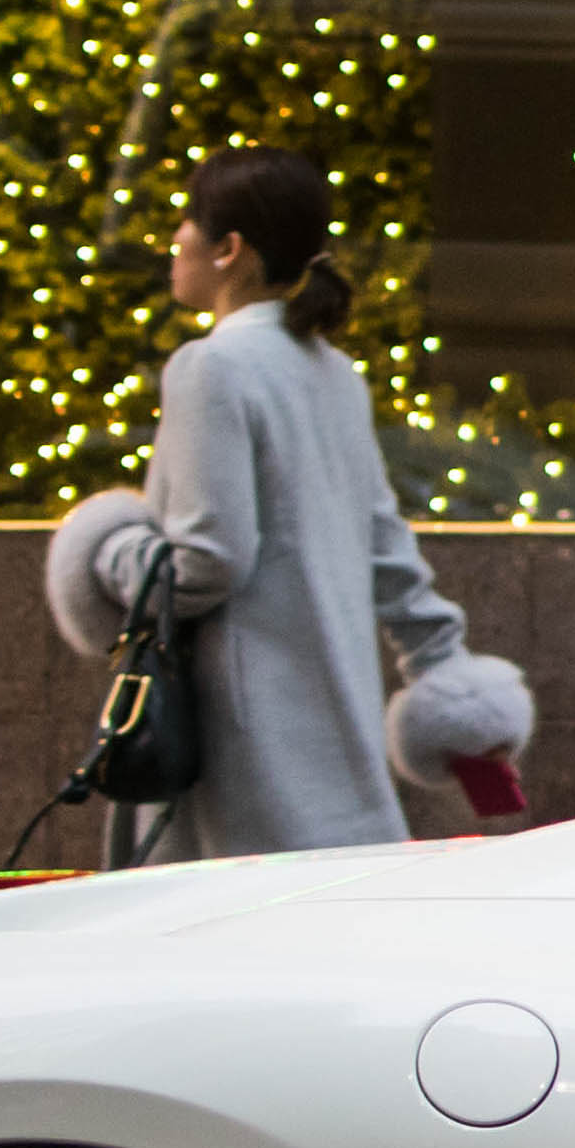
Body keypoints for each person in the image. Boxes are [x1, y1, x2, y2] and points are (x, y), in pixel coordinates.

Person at [43, 149, 530, 862]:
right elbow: (384, 544)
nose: (174, 238)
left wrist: (104, 548)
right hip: (332, 711)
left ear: (229, 249)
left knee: (215, 938)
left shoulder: (210, 367)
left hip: (242, 734)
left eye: (187, 221)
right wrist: (440, 660)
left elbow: (208, 561)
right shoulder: (331, 370)